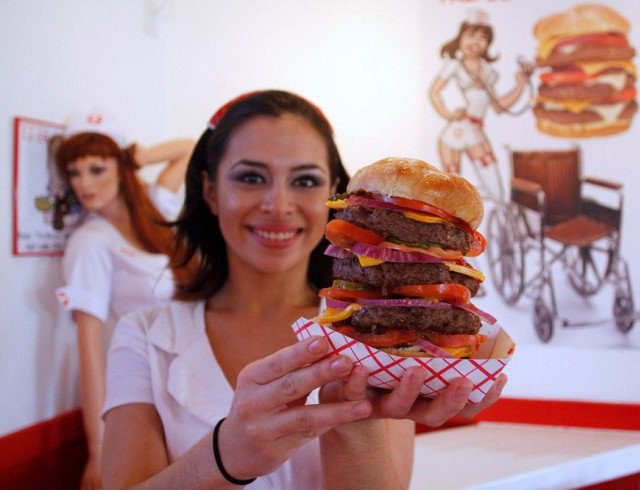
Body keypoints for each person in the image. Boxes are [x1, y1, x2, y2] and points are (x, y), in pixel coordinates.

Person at [100, 90, 508, 488]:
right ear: (210, 191)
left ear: (335, 194)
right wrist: (226, 456)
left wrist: (354, 422)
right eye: (251, 177)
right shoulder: (144, 337)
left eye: (305, 181)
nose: (278, 204)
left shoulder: (375, 341)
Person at [53, 109, 196, 490]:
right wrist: (97, 448)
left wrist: (140, 157)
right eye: (74, 172)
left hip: (195, 371)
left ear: (120, 166)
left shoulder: (154, 208)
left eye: (97, 169)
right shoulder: (90, 242)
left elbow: (190, 150)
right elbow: (88, 345)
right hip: (150, 387)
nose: (84, 183)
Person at [429, 9, 532, 201]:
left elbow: (499, 106)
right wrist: (448, 114)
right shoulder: (454, 65)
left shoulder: (488, 71)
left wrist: (521, 83)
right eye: (471, 35)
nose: (476, 42)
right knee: (453, 194)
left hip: (475, 131)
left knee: (496, 191)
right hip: (454, 133)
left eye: (483, 37)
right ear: (460, 38)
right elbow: (434, 93)